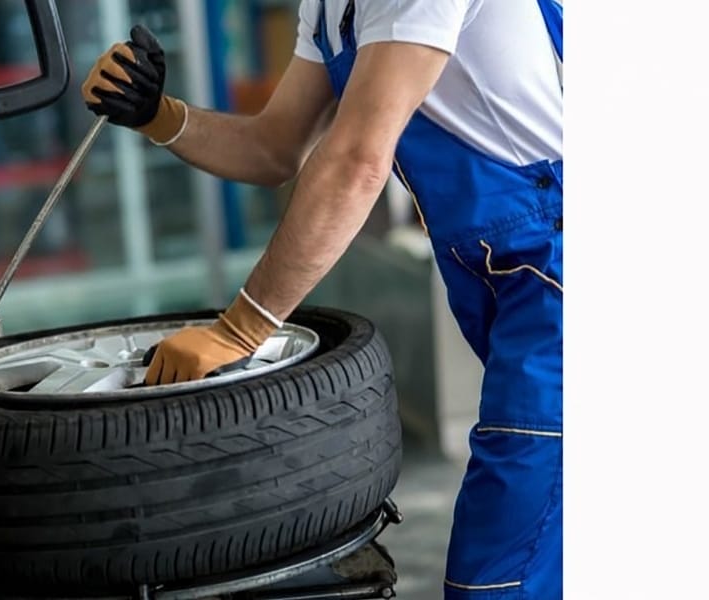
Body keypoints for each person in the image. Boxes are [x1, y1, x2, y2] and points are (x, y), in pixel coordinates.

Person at [81, 0, 562, 597]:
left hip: (556, 268)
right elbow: (273, 148)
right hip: (507, 276)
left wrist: (239, 331)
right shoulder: (329, 7)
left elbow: (359, 159)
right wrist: (159, 115)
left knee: (500, 570)